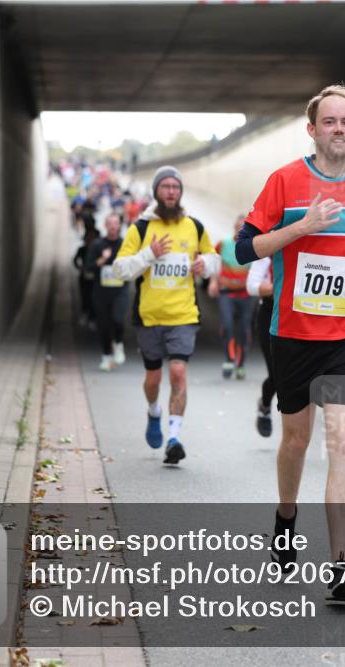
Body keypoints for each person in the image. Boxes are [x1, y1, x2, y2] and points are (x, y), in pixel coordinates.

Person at [234, 84, 345, 602]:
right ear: (312, 129)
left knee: (344, 443)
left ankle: (341, 564)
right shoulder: (284, 181)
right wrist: (300, 227)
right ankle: (286, 518)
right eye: (329, 121)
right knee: (297, 441)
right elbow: (243, 249)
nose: (339, 130)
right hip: (293, 334)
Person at [113, 166, 221, 465]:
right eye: (166, 187)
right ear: (156, 191)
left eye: (176, 186)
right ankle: (153, 412)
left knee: (177, 373)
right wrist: (149, 254)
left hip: (183, 315)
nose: (171, 191)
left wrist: (206, 266)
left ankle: (174, 438)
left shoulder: (194, 227)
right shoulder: (142, 229)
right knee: (153, 378)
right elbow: (120, 269)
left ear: (181, 191)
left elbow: (214, 258)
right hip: (149, 317)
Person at [209, 217, 255, 380]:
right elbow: (215, 263)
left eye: (244, 228)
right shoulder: (224, 244)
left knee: (244, 330)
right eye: (238, 227)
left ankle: (241, 364)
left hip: (245, 294)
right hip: (226, 293)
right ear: (234, 228)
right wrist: (214, 282)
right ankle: (229, 360)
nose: (240, 230)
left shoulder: (252, 246)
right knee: (227, 326)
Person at [87, 213, 129, 371]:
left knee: (118, 319)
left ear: (119, 225)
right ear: (105, 225)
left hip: (120, 291)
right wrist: (102, 260)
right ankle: (106, 356)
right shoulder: (97, 245)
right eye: (109, 223)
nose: (112, 226)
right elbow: (88, 267)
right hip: (101, 292)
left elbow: (133, 265)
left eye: (115, 223)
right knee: (104, 325)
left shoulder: (125, 245)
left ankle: (118, 343)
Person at [247, 256, 276, 437]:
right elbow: (251, 286)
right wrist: (280, 287)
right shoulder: (270, 248)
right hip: (270, 312)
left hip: (299, 313)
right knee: (277, 372)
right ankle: (265, 405)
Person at [72, 226, 99, 328]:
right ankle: (85, 313)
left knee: (94, 298)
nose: (91, 239)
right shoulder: (82, 249)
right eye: (89, 237)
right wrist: (80, 268)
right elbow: (75, 260)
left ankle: (93, 317)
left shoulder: (99, 249)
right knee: (85, 296)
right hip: (84, 277)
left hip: (95, 278)